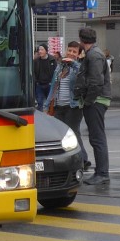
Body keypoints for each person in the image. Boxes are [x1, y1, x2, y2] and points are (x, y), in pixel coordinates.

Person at [74, 27, 111, 185]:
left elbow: (95, 82)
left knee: (97, 138)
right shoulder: (93, 53)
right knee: (97, 137)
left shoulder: (94, 55)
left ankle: (102, 173)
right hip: (97, 100)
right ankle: (101, 172)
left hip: (96, 101)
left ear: (81, 40)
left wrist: (88, 101)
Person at [45, 40, 88, 172]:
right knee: (59, 134)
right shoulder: (59, 67)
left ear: (79, 54)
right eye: (69, 50)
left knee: (73, 133)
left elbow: (81, 76)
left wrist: (73, 63)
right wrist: (47, 105)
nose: (71, 53)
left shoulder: (79, 67)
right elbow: (53, 85)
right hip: (58, 105)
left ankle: (83, 159)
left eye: (74, 52)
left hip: (73, 105)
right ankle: (65, 160)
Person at [33, 44, 56, 110]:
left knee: (49, 103)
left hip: (49, 85)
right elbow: (33, 72)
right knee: (39, 102)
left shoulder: (52, 60)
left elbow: (56, 72)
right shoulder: (36, 61)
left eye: (42, 50)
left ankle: (50, 118)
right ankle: (41, 118)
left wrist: (52, 82)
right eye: (39, 50)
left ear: (46, 51)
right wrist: (36, 81)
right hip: (39, 85)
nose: (40, 51)